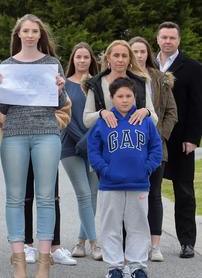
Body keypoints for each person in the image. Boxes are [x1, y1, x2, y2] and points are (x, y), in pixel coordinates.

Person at [0, 14, 67, 278]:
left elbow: (60, 104)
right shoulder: (7, 65)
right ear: (18, 34)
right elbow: (2, 108)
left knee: (46, 197)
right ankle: (19, 262)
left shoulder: (52, 64)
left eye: (34, 31)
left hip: (46, 132)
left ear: (40, 35)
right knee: (15, 197)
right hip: (14, 134)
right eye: (25, 30)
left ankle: (44, 263)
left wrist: (60, 88)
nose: (30, 35)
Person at [88, 77, 162, 278]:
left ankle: (137, 266)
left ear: (134, 96)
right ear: (112, 98)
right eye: (120, 96)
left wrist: (146, 168)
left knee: (137, 225)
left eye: (128, 95)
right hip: (110, 184)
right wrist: (105, 170)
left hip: (138, 183)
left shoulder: (144, 121)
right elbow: (93, 150)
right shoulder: (104, 121)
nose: (124, 100)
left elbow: (156, 148)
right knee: (111, 226)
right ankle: (115, 267)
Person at [129, 36, 178, 261]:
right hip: (128, 147)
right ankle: (132, 243)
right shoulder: (124, 78)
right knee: (131, 196)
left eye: (142, 51)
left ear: (148, 53)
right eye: (134, 51)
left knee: (154, 195)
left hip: (156, 146)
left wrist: (158, 136)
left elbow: (171, 112)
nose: (138, 55)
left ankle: (155, 245)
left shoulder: (159, 79)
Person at [156, 21, 202, 259]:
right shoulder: (146, 65)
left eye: (172, 38)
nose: (167, 41)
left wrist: (193, 138)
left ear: (178, 40)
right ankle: (149, 241)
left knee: (184, 192)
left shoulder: (193, 68)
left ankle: (186, 241)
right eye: (164, 37)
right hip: (152, 139)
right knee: (149, 191)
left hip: (181, 139)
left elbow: (198, 106)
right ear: (157, 39)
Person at [60, 43, 102, 260]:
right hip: (70, 146)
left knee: (93, 195)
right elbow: (63, 116)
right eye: (79, 57)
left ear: (91, 60)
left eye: (86, 57)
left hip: (95, 146)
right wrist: (80, 140)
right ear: (73, 60)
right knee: (83, 194)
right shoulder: (64, 85)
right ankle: (96, 244)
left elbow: (103, 114)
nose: (82, 61)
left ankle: (80, 242)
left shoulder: (98, 84)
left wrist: (89, 141)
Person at [82, 40, 157, 130]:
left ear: (130, 59)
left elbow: (155, 119)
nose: (120, 60)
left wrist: (146, 112)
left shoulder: (140, 83)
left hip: (135, 140)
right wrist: (101, 113)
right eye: (116, 55)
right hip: (105, 140)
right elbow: (86, 120)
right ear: (108, 58)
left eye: (124, 56)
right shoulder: (96, 84)